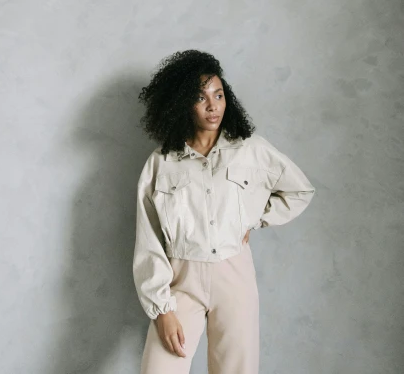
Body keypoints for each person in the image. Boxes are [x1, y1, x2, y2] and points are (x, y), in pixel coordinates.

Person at [132, 49, 315, 374]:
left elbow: (300, 190)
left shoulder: (250, 149)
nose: (213, 105)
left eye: (218, 94)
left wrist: (254, 218)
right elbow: (149, 239)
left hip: (235, 277)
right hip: (181, 281)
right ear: (181, 103)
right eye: (201, 98)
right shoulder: (162, 162)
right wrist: (162, 310)